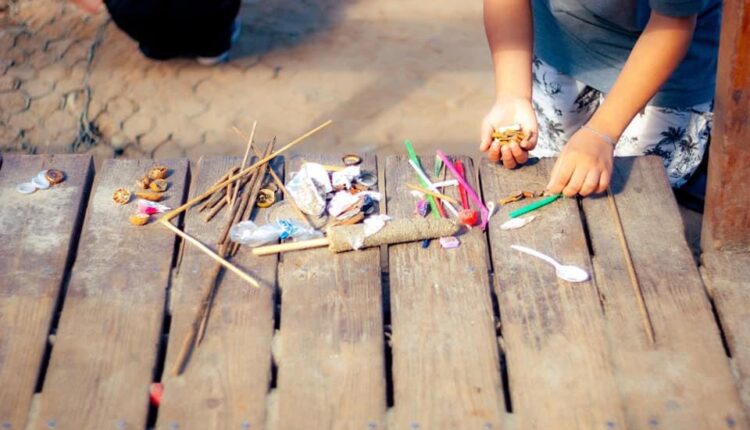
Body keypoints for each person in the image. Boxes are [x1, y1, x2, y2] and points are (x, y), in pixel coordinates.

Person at [480, 0, 720, 197]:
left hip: (664, 72)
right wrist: (513, 94)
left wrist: (601, 132)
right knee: (551, 180)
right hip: (560, 40)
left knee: (639, 198)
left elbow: (673, 23)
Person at [71, 0, 241, 65]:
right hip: (210, 32)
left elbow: (90, 4)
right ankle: (212, 50)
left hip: (154, 41)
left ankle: (158, 48)